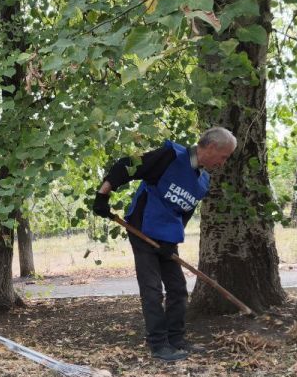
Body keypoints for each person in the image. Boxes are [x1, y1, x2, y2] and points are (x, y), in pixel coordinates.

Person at [92, 127, 237, 361]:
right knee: (152, 289)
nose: (224, 162)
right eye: (224, 156)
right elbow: (125, 165)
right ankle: (158, 345)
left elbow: (183, 215)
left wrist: (171, 240)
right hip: (141, 229)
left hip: (166, 239)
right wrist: (102, 196)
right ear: (210, 148)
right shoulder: (169, 157)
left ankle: (176, 339)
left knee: (178, 289)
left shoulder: (203, 182)